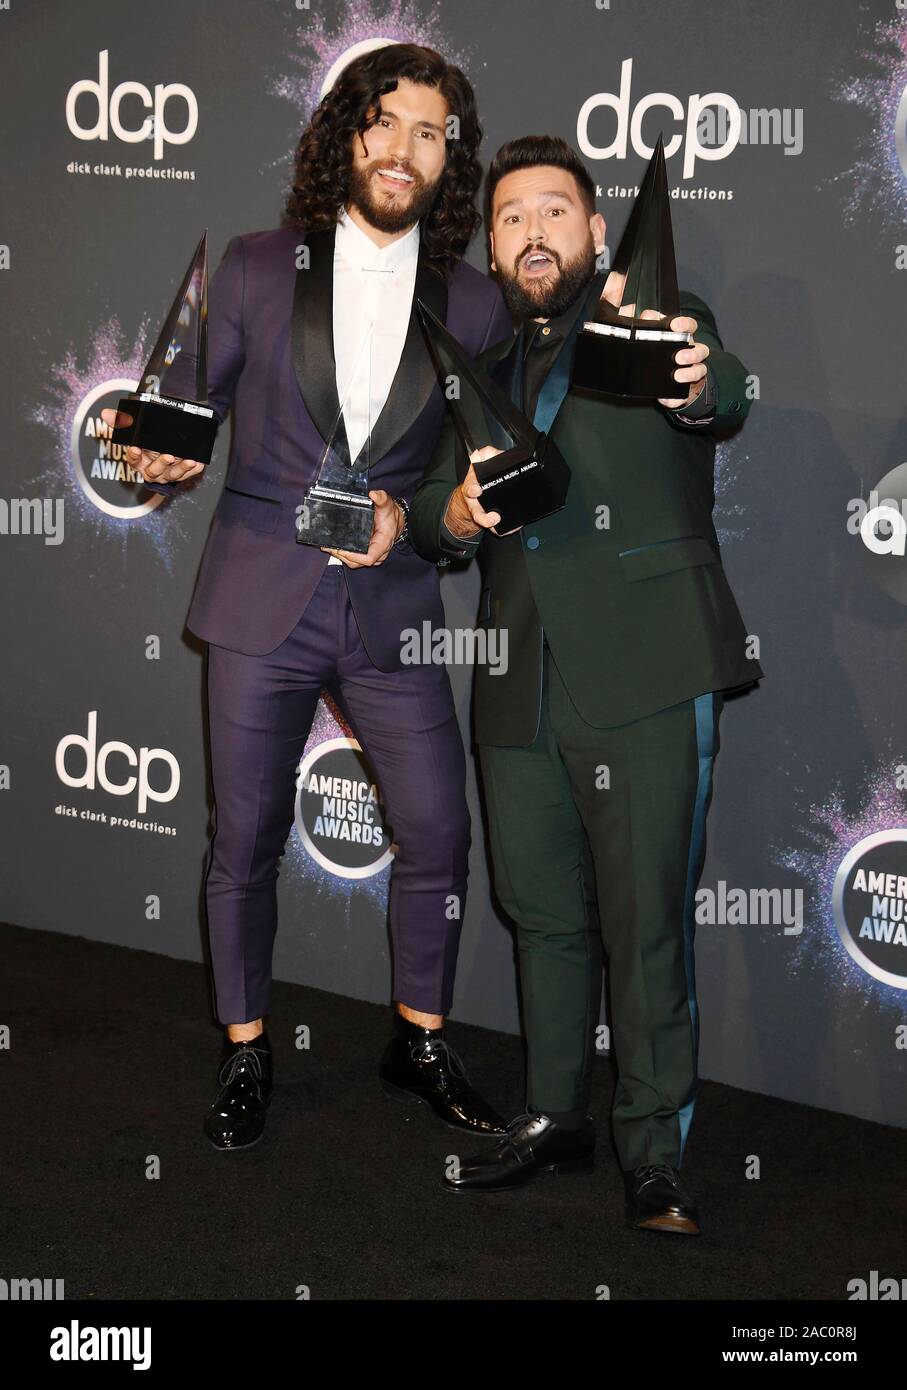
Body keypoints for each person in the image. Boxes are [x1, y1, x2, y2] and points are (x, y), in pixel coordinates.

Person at [102, 44, 513, 1152]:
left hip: (393, 604)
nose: (404, 149)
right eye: (385, 122)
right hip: (259, 600)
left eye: (431, 133)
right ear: (346, 132)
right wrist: (157, 454)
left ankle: (416, 1036)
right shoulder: (249, 266)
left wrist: (412, 510)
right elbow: (181, 410)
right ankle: (246, 1045)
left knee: (435, 827)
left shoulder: (471, 304)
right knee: (243, 837)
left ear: (449, 161)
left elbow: (470, 463)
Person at [408, 135, 763, 1233]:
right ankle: (555, 1118)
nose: (530, 234)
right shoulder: (482, 367)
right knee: (544, 918)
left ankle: (653, 1152)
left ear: (596, 231)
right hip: (518, 686)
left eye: (552, 212)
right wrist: (457, 514)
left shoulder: (656, 323)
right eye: (508, 218)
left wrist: (703, 379)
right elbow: (429, 510)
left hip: (648, 671)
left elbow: (720, 388)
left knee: (645, 922)